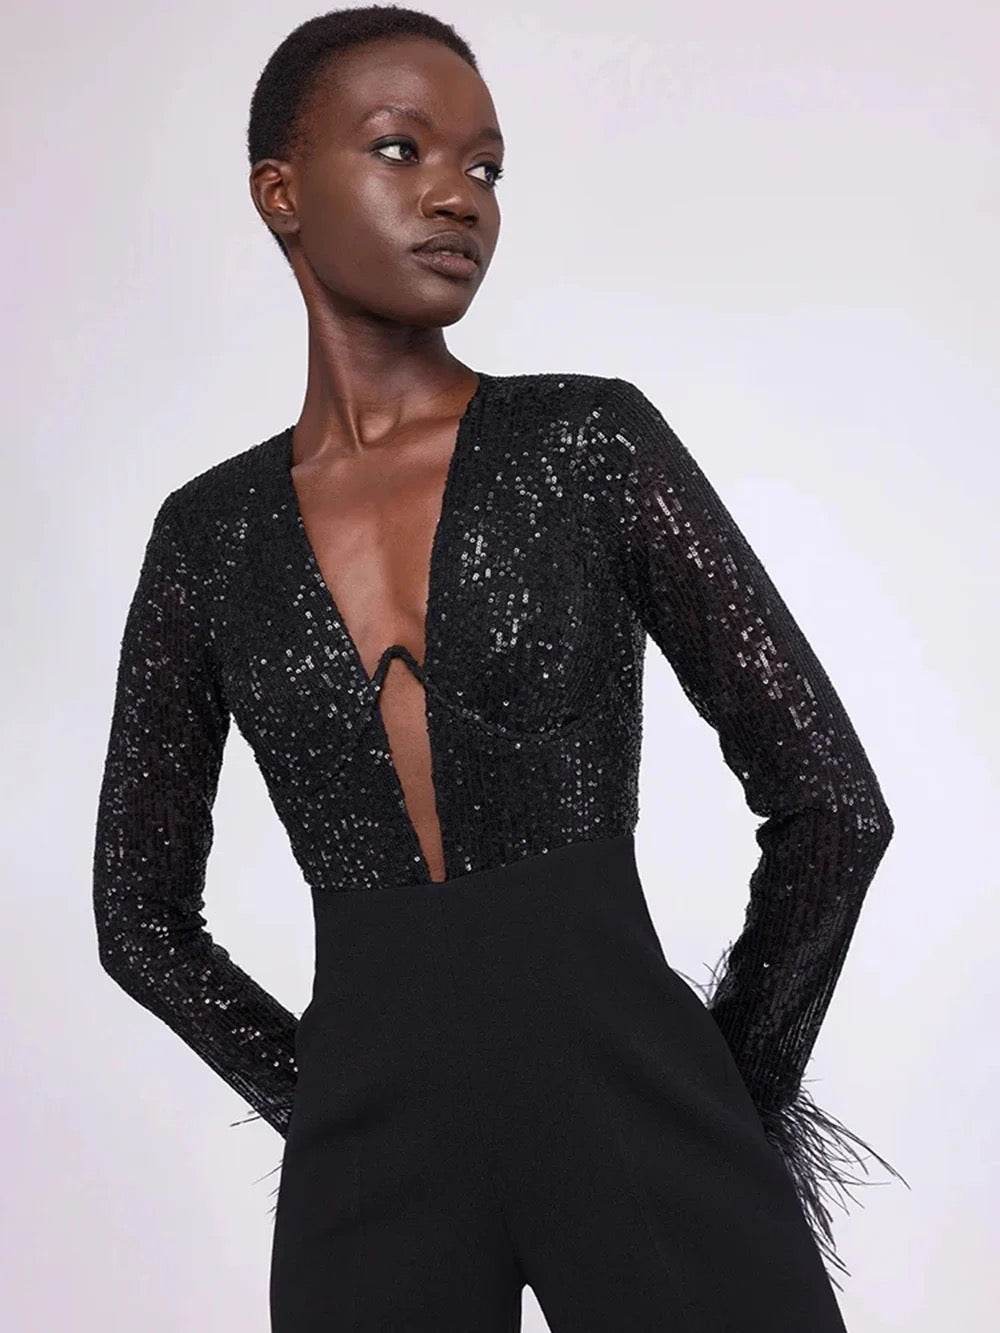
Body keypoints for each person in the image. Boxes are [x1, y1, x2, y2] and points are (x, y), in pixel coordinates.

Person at [91, 7, 906, 1330]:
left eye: (486, 167)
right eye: (401, 149)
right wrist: (330, 1104)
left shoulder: (585, 442)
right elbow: (138, 918)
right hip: (379, 1158)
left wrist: (722, 1090)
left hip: (629, 1110)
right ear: (280, 193)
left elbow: (833, 805)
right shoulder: (209, 537)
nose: (458, 197)